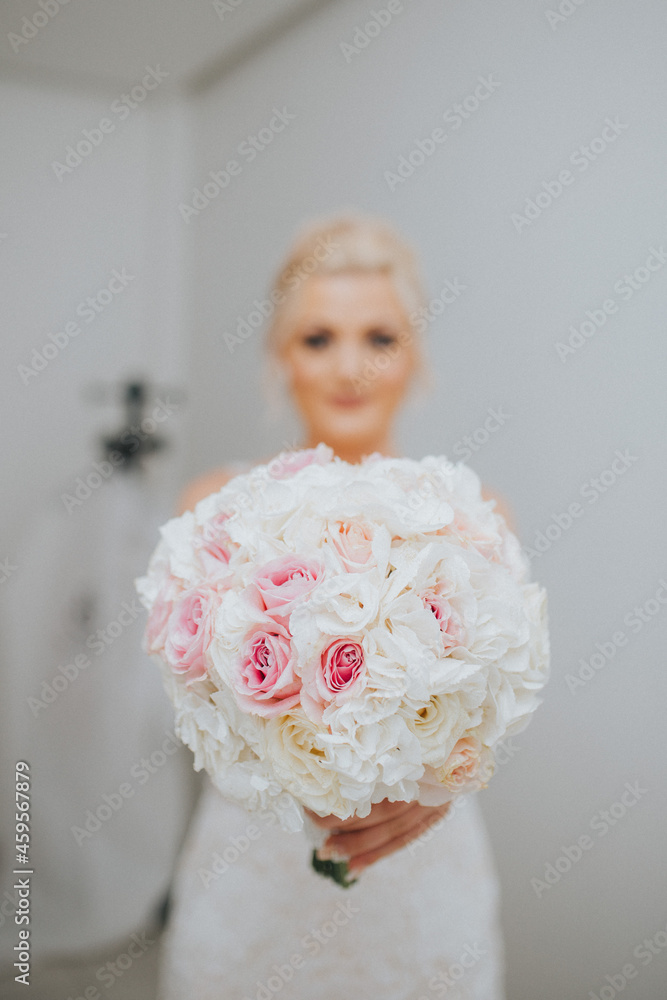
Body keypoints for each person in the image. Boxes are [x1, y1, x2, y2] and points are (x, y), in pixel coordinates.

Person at [159, 213, 509, 999]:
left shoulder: (472, 516)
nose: (349, 366)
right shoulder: (213, 509)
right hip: (254, 868)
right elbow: (191, 704)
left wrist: (440, 787)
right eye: (318, 338)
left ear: (414, 356)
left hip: (416, 871)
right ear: (279, 357)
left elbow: (497, 702)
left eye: (379, 338)